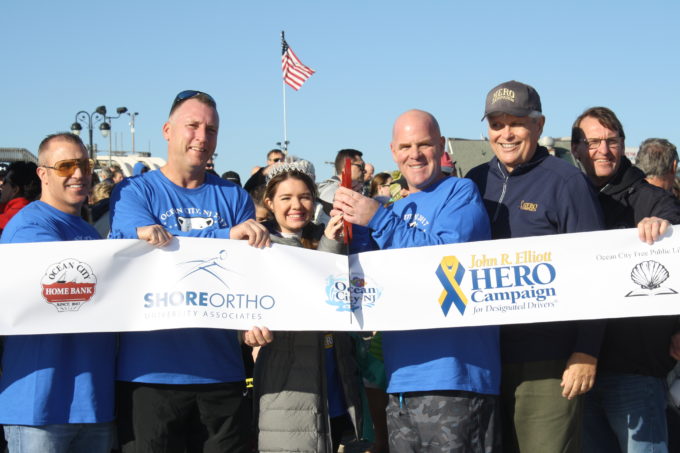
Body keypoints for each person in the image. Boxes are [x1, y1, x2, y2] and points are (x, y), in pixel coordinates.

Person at [109, 90, 272, 453]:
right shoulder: (134, 192)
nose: (202, 137)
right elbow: (145, 250)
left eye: (211, 130)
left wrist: (256, 320)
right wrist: (224, 236)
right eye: (192, 126)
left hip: (221, 372)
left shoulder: (234, 197)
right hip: (149, 374)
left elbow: (248, 272)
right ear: (168, 130)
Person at [333, 109, 500, 452]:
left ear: (440, 146)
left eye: (424, 144)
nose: (415, 154)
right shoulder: (393, 208)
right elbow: (366, 273)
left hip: (455, 378)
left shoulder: (460, 192)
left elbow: (442, 262)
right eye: (406, 146)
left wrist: (376, 217)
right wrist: (347, 225)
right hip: (400, 381)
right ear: (393, 152)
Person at [466, 80, 605, 453]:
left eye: (517, 123)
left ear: (539, 125)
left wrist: (586, 351)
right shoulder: (474, 181)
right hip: (485, 358)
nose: (506, 133)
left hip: (548, 362)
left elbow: (595, 270)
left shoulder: (566, 182)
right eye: (497, 124)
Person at [571, 106, 680, 453]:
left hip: (634, 369)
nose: (604, 150)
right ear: (576, 149)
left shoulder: (654, 201)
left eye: (612, 141)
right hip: (573, 370)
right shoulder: (565, 199)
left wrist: (664, 229)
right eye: (593, 142)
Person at [0, 133, 116, 452]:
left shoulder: (88, 232)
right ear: (43, 174)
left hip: (93, 405)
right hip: (40, 407)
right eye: (65, 166)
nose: (78, 174)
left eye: (84, 165)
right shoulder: (29, 226)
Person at [253, 157, 363, 453]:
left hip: (336, 377)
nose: (296, 205)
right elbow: (242, 305)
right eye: (286, 198)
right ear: (270, 201)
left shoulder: (324, 234)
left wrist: (334, 239)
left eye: (304, 197)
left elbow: (339, 289)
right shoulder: (259, 245)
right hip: (289, 386)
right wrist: (244, 332)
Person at [314, 148, 366, 226]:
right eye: (360, 166)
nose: (364, 171)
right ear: (345, 167)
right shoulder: (330, 191)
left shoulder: (356, 190)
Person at [0, 161, 40, 233]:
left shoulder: (5, 220)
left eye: (5, 182)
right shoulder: (40, 213)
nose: (2, 186)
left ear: (15, 189)